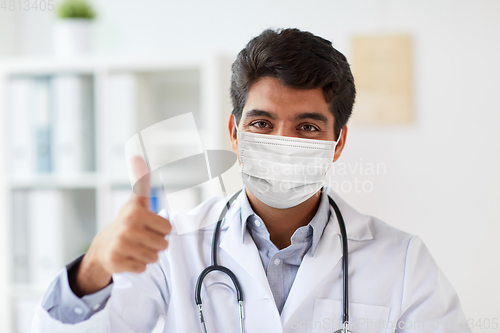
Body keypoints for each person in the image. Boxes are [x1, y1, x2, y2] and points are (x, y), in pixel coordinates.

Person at [32, 28, 471, 333]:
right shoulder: (172, 244)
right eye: (261, 123)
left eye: (307, 127)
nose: (282, 141)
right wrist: (94, 269)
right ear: (234, 133)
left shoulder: (402, 260)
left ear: (337, 144)